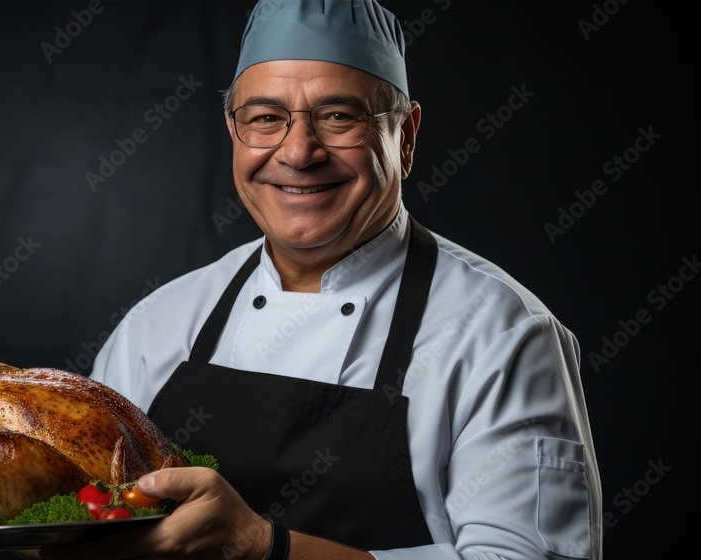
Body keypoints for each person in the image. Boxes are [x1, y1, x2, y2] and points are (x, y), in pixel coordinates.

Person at [40, 1, 602, 558]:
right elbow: (89, 513)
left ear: (405, 137)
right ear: (234, 131)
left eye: (339, 116)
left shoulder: (503, 335)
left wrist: (264, 547)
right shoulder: (159, 324)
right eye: (265, 118)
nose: (299, 152)